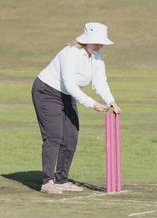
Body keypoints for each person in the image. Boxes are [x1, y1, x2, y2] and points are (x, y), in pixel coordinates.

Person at [32, 22, 121, 194]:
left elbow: (100, 82)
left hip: (66, 95)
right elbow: (71, 85)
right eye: (97, 41)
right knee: (54, 135)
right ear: (87, 40)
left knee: (71, 136)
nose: (100, 45)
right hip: (46, 92)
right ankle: (47, 182)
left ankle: (62, 180)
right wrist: (92, 104)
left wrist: (111, 101)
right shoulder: (70, 53)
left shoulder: (97, 58)